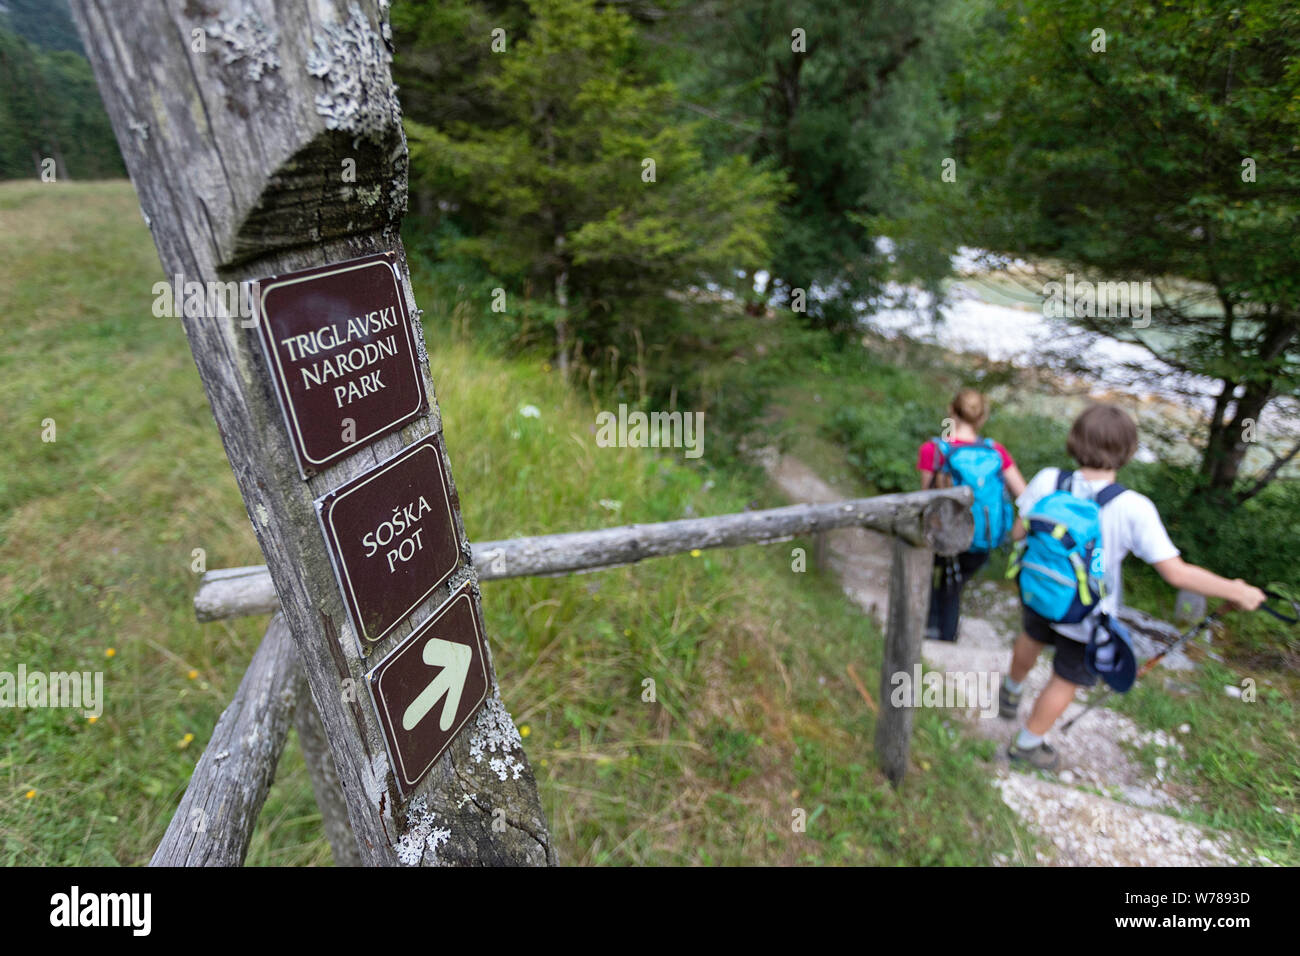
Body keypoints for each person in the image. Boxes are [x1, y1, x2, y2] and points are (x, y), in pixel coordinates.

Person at [1000, 403, 1266, 769]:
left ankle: (1011, 691)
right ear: (1127, 452)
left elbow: (1018, 533)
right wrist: (1236, 590)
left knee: (1030, 638)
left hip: (1038, 592)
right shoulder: (1133, 508)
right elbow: (1177, 574)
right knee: (1066, 678)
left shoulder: (1048, 480)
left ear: (1074, 439)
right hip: (1087, 614)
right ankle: (1027, 745)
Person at [917, 389, 1027, 642]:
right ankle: (944, 635)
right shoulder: (996, 451)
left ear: (951, 411)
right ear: (982, 418)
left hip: (945, 533)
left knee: (942, 577)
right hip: (983, 536)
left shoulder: (933, 450)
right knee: (954, 585)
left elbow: (925, 498)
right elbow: (1025, 495)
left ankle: (932, 633)